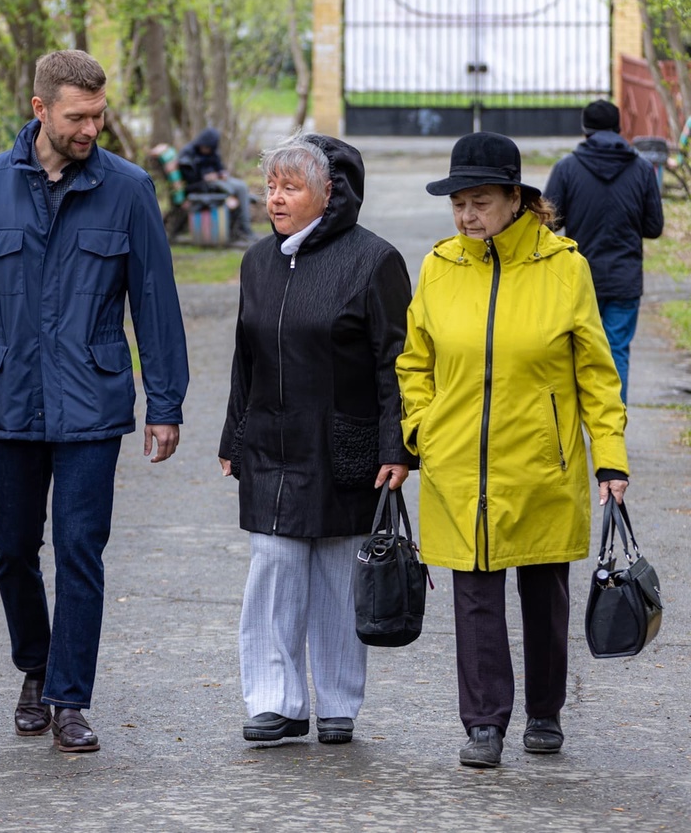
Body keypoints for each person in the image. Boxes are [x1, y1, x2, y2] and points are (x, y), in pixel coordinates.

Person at [0, 50, 189, 753]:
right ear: (40, 109)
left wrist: (166, 402)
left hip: (92, 400)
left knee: (79, 549)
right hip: (10, 396)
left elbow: (155, 303)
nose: (90, 128)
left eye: (99, 115)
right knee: (12, 547)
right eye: (78, 116)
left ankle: (70, 696)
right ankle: (36, 666)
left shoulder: (128, 189)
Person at [398, 131, 629, 768]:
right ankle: (483, 723)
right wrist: (422, 428)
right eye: (457, 204)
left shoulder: (565, 267)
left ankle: (545, 712)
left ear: (516, 201)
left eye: (478, 202)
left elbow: (596, 373)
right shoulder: (439, 265)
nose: (466, 216)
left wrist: (610, 455)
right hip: (457, 461)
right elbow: (414, 362)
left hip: (540, 462)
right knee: (473, 594)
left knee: (543, 591)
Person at [217, 133, 413, 747]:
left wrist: (396, 447)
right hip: (273, 443)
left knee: (335, 572)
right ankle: (276, 701)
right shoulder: (257, 260)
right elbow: (244, 358)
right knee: (273, 569)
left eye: (290, 187)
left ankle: (337, 703)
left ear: (330, 194)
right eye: (270, 186)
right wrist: (233, 435)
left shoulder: (373, 260)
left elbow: (396, 363)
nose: (274, 198)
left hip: (343, 442)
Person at [543, 99, 664, 402]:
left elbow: (546, 224)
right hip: (625, 279)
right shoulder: (642, 170)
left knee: (572, 351)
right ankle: (611, 432)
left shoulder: (567, 168)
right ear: (618, 127)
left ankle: (574, 430)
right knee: (616, 352)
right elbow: (653, 227)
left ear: (585, 129)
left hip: (579, 280)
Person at [179, 127, 259, 244]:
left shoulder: (211, 151)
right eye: (205, 147)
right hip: (203, 186)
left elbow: (219, 167)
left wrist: (221, 173)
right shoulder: (188, 154)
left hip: (217, 181)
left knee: (242, 186)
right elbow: (190, 178)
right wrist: (205, 177)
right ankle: (244, 229)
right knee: (235, 190)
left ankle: (244, 227)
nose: (207, 150)